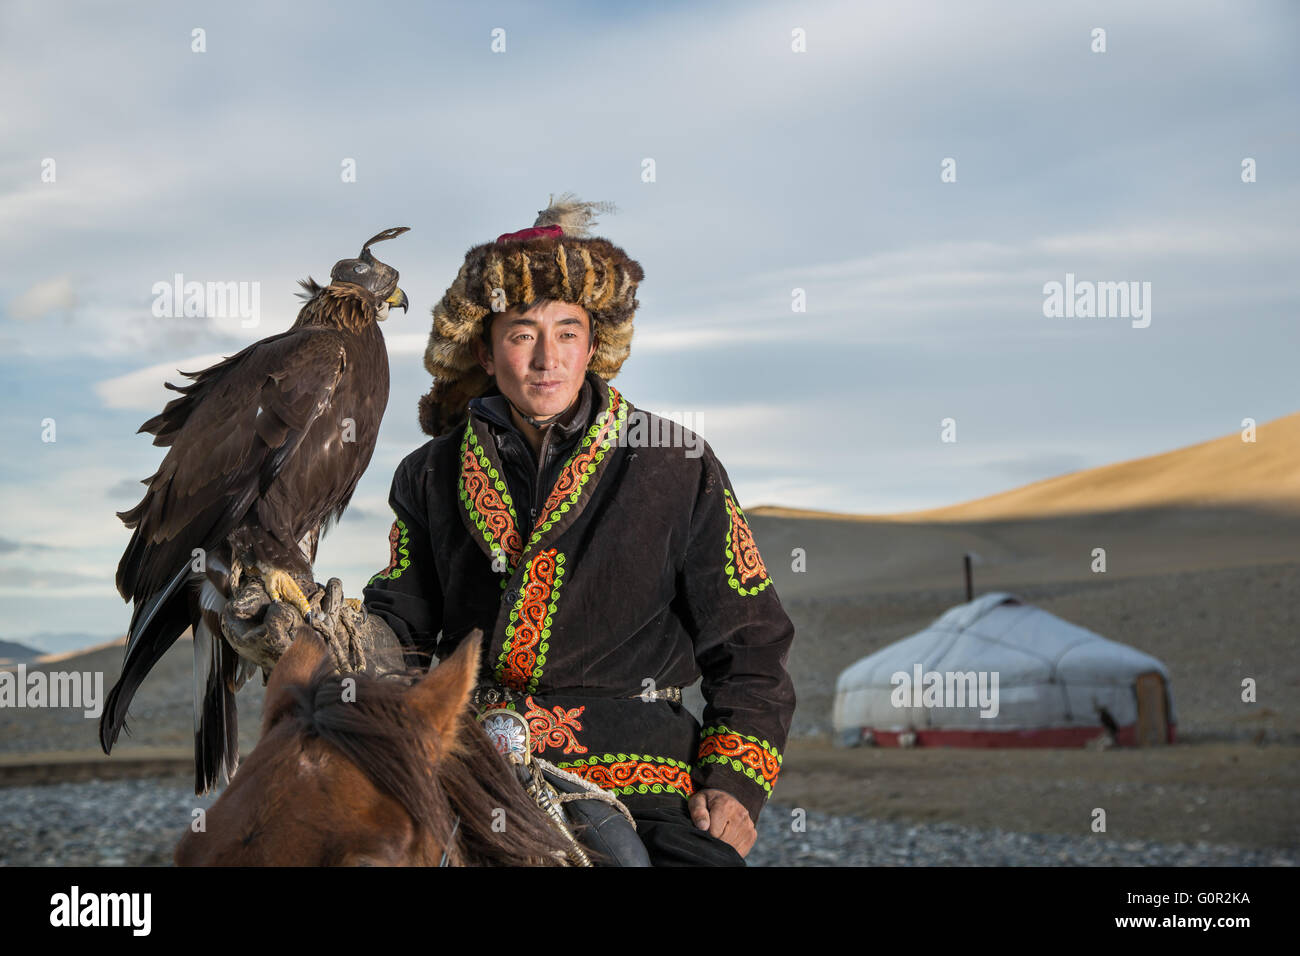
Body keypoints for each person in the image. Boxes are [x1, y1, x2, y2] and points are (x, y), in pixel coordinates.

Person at [236, 194, 797, 865]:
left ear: (594, 344)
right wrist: (326, 637)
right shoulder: (429, 473)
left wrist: (734, 786)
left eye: (567, 332)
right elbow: (404, 636)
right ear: (485, 345)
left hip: (640, 778)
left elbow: (752, 649)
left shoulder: (676, 465)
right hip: (468, 764)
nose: (546, 359)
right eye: (522, 333)